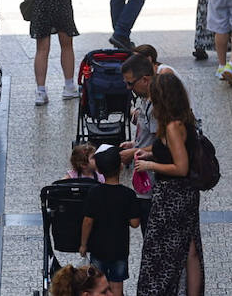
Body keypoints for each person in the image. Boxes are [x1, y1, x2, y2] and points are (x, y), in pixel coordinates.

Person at [134, 73, 204, 296]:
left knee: (163, 250)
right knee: (190, 247)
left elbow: (180, 167)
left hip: (173, 197)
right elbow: (170, 151)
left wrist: (150, 167)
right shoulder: (183, 120)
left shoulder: (173, 126)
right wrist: (146, 152)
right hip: (185, 195)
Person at [79, 146, 142, 295]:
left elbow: (87, 221)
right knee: (117, 288)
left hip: (98, 249)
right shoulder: (128, 194)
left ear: (99, 171)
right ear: (121, 167)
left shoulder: (94, 192)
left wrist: (83, 244)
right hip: (119, 250)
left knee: (97, 285)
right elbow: (135, 223)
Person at [119, 54, 158, 223]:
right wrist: (135, 144)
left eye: (130, 83)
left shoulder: (156, 106)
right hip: (144, 181)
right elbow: (150, 136)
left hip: (153, 184)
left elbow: (163, 145)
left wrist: (134, 151)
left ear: (145, 79)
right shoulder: (144, 100)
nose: (128, 88)